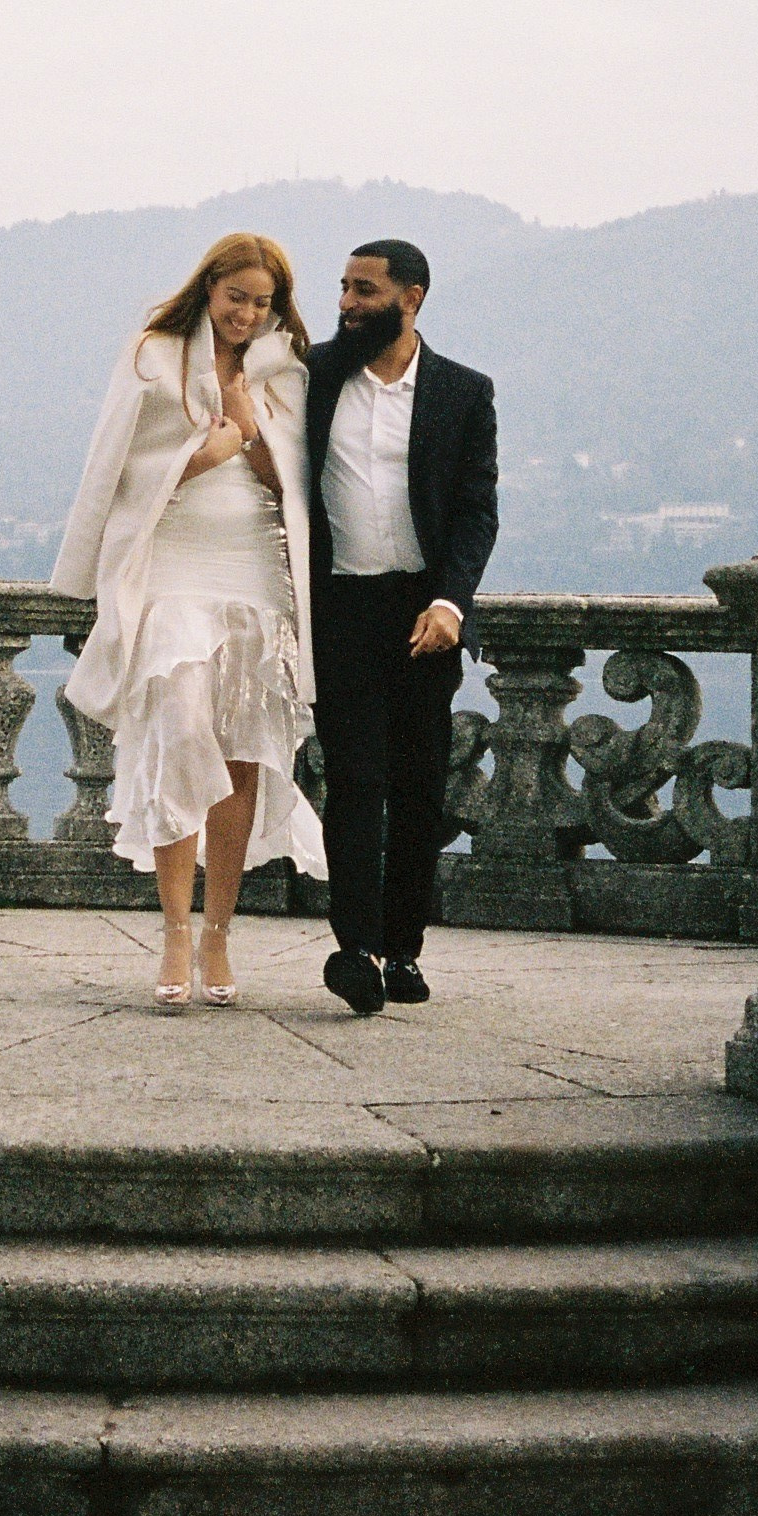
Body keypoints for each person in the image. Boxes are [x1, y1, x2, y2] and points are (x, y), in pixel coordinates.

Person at [53, 232, 326, 1008]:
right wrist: (200, 456)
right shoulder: (154, 355)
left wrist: (248, 424)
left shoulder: (286, 369)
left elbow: (294, 484)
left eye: (262, 303)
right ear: (208, 287)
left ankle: (218, 935)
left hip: (256, 570)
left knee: (241, 751)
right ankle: (175, 931)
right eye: (236, 297)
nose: (247, 314)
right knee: (178, 733)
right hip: (172, 565)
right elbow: (115, 465)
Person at [305, 238, 499, 1014]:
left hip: (425, 614)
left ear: (410, 298)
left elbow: (476, 511)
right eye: (343, 287)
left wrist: (451, 604)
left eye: (364, 290)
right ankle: (354, 948)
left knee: (419, 788)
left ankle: (404, 950)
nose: (346, 303)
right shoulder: (312, 376)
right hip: (340, 610)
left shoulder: (463, 392)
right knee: (354, 780)